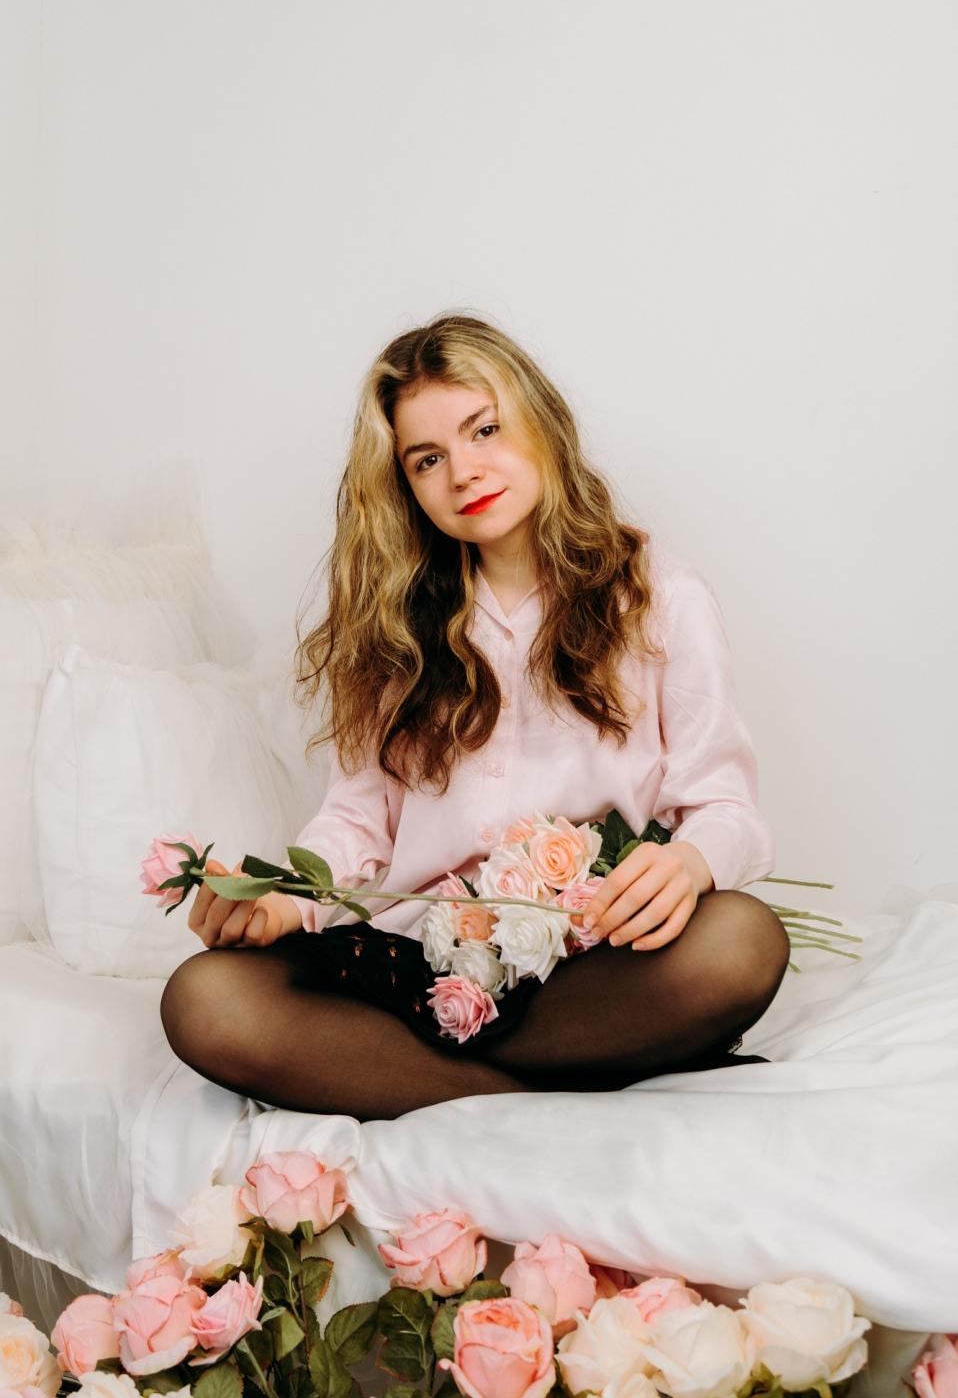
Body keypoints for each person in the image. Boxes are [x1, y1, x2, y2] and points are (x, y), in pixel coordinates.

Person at [160, 313, 790, 1120]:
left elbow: (727, 809)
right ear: (405, 486)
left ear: (540, 421)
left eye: (484, 430)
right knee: (205, 998)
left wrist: (692, 864)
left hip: (589, 961)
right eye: (427, 459)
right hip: (414, 960)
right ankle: (535, 1100)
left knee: (741, 940)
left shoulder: (658, 596)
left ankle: (435, 1082)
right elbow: (356, 823)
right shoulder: (392, 626)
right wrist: (285, 900)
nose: (463, 472)